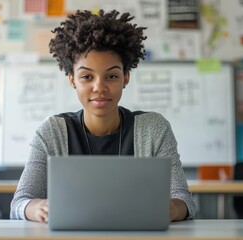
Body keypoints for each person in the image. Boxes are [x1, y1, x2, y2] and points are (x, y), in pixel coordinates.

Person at [10, 9, 196, 223]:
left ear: (126, 77)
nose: (99, 87)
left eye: (112, 76)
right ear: (72, 79)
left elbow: (185, 201)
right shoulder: (52, 131)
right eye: (87, 76)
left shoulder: (154, 129)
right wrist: (36, 208)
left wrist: (172, 208)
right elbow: (19, 203)